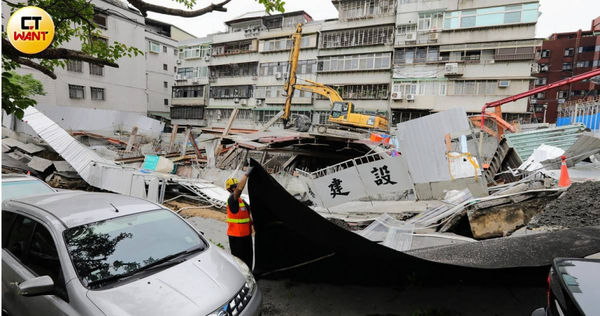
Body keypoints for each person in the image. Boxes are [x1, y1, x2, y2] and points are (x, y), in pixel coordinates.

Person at [225, 166, 254, 269]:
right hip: (237, 237)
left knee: (248, 261)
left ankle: (250, 278)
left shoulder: (242, 201)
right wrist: (246, 174)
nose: (237, 188)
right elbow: (240, 189)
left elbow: (247, 216)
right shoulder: (232, 200)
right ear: (231, 189)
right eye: (235, 186)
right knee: (240, 263)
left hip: (246, 235)